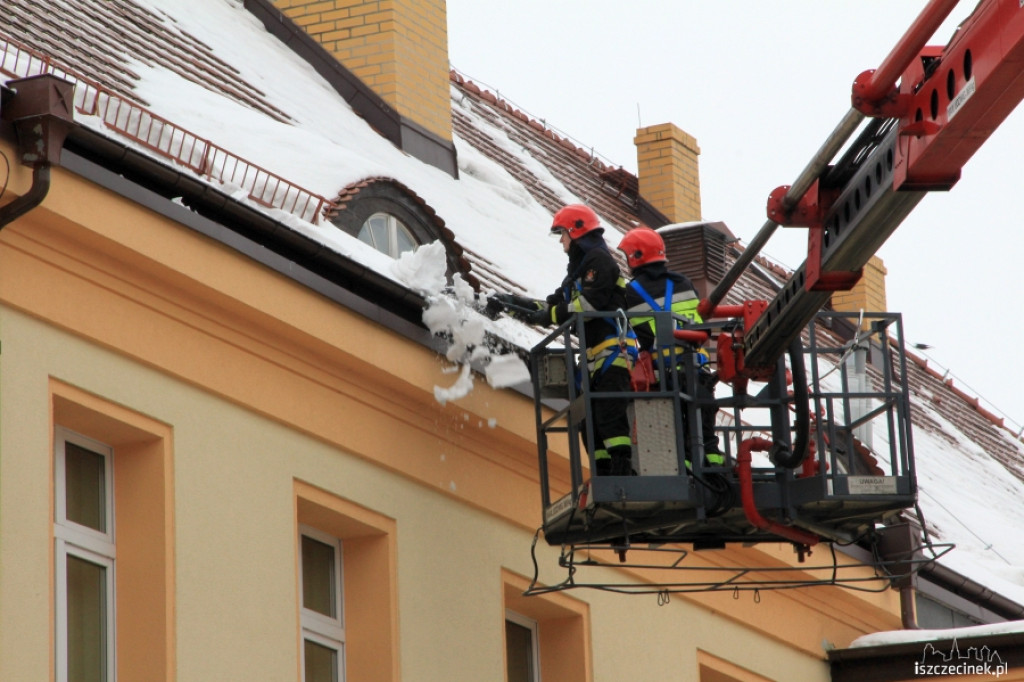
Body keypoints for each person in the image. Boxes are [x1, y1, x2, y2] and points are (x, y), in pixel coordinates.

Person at [492, 204, 636, 476]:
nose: (561, 240)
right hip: (594, 358)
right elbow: (554, 305)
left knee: (609, 416)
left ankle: (623, 471)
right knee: (588, 422)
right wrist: (514, 304)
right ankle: (604, 473)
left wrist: (553, 313)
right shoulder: (578, 272)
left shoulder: (600, 262)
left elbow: (590, 306)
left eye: (562, 234)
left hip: (613, 353)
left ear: (576, 231)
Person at [617, 227, 724, 467]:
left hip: (662, 369)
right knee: (703, 419)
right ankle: (713, 460)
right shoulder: (683, 282)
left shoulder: (630, 292)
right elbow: (700, 324)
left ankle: (687, 463)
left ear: (635, 256)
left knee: (677, 423)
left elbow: (621, 328)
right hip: (698, 365)